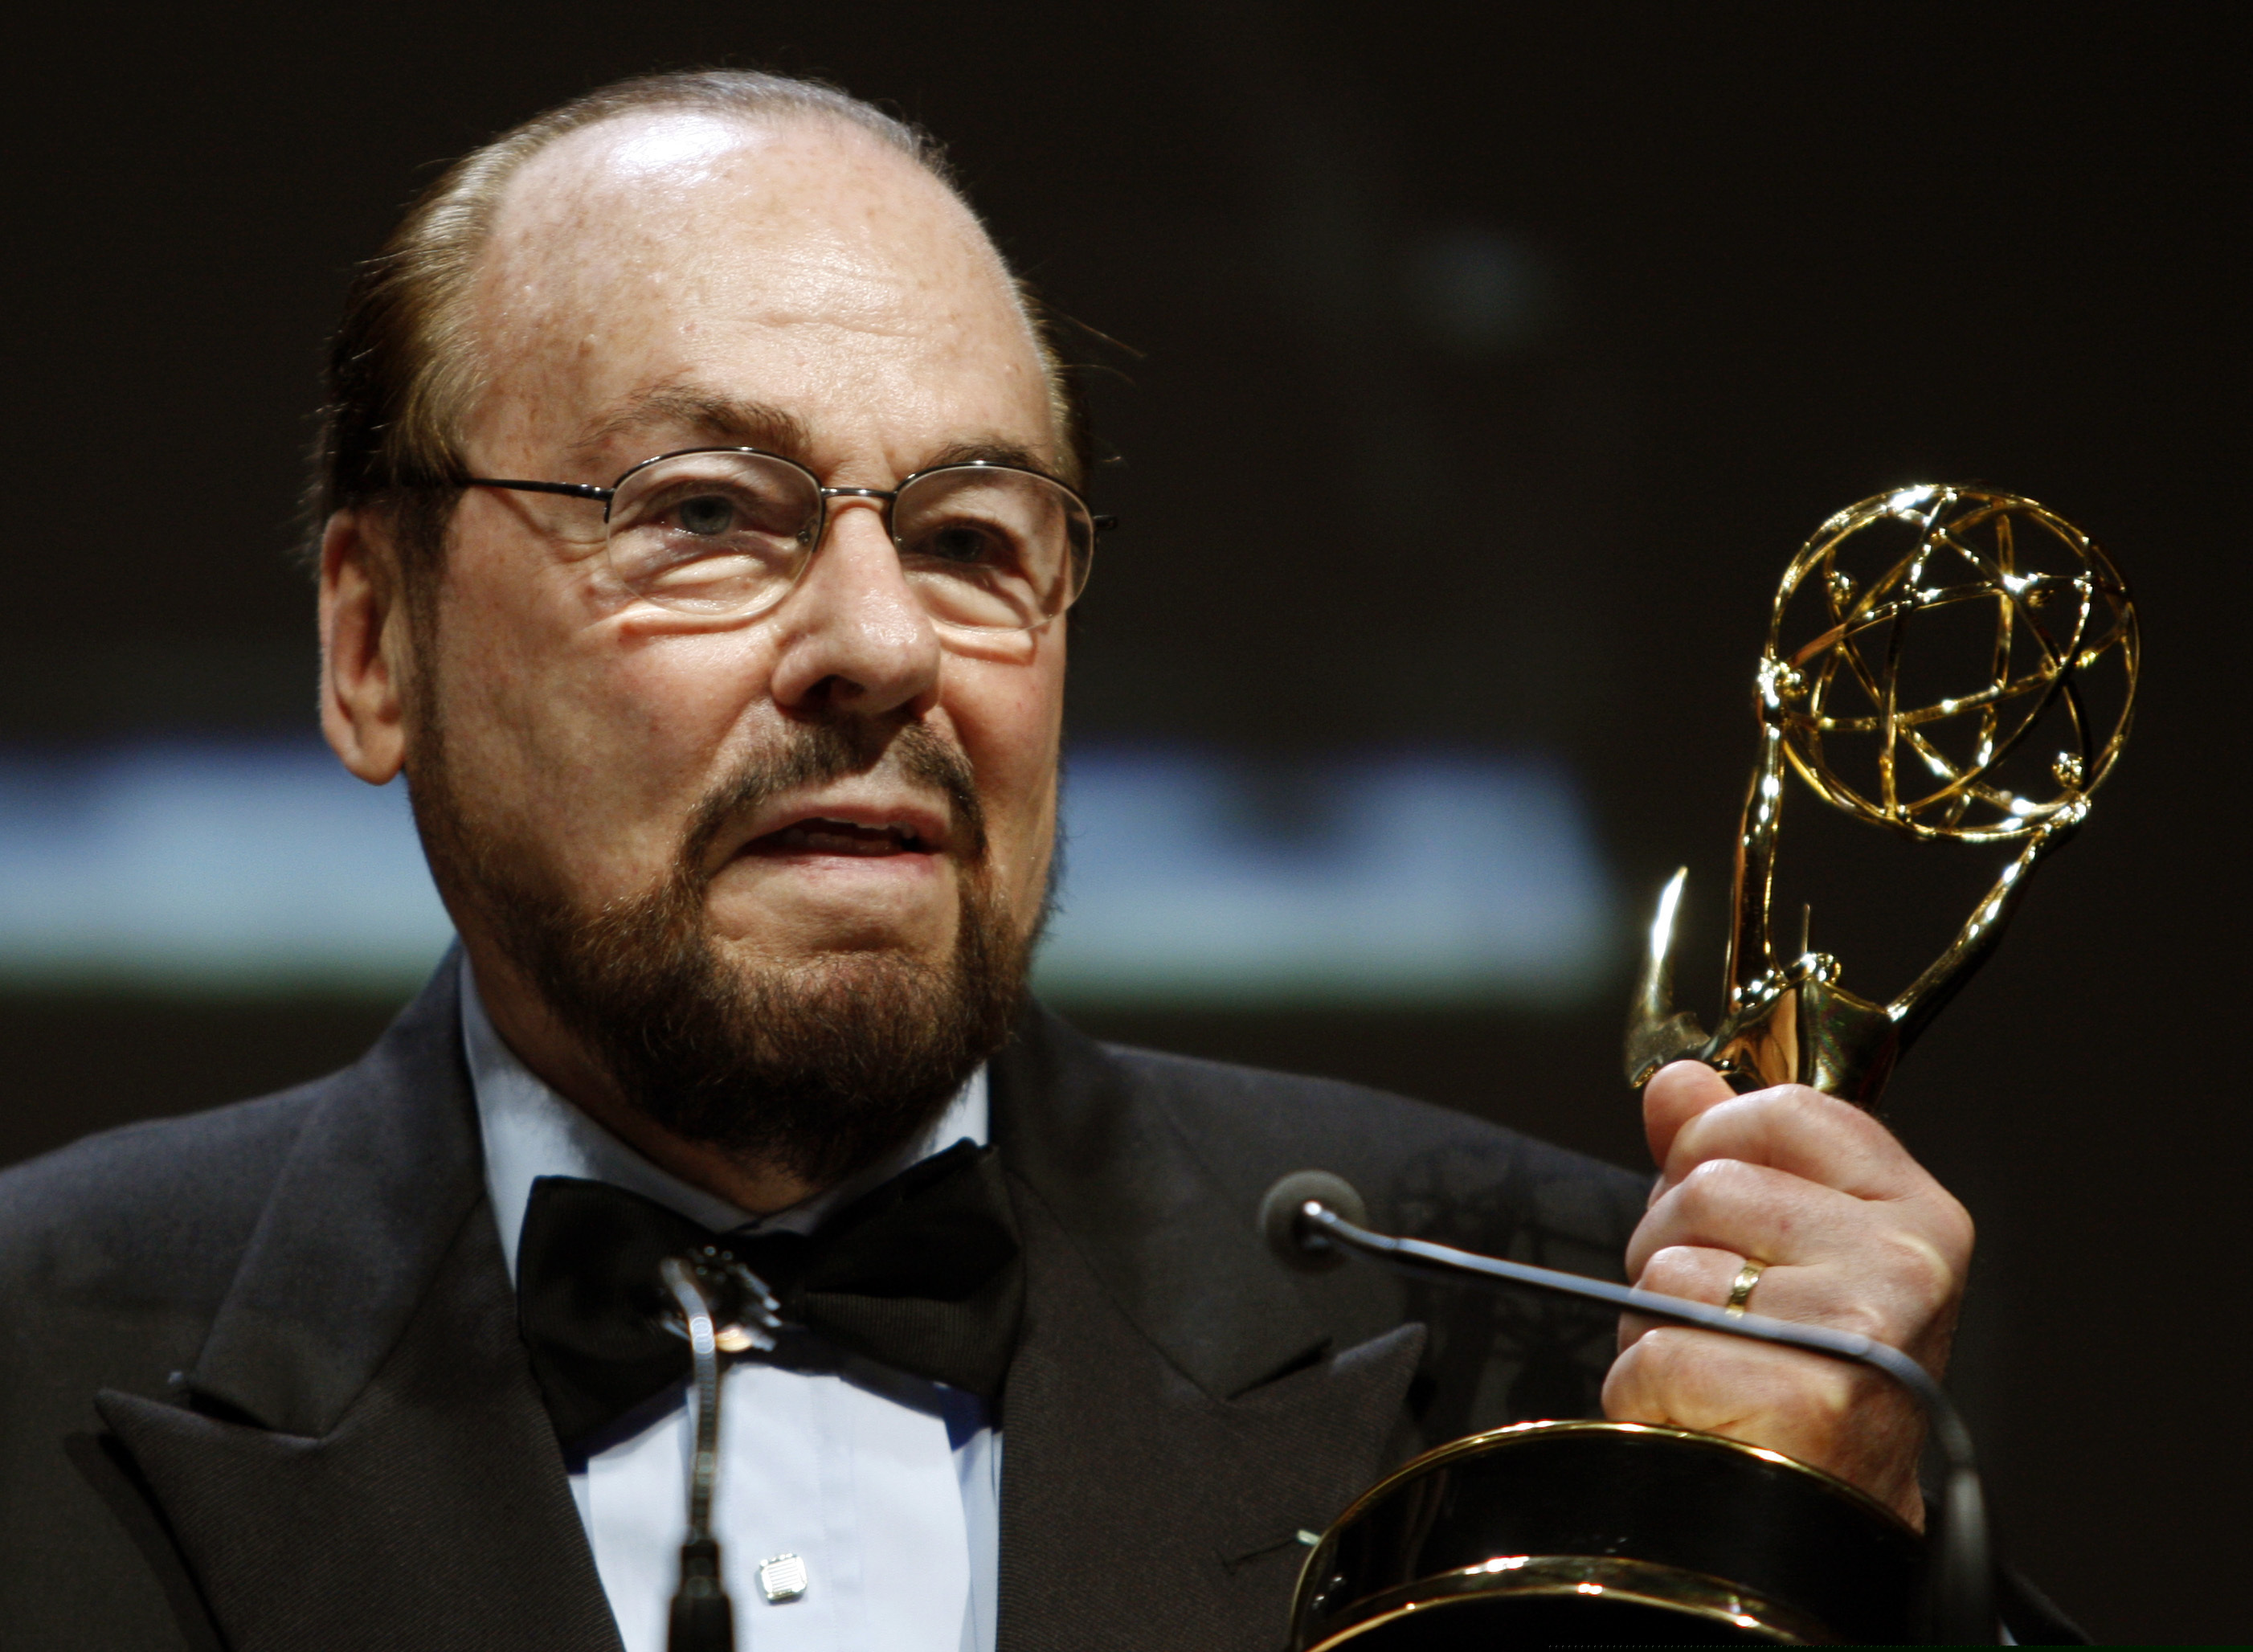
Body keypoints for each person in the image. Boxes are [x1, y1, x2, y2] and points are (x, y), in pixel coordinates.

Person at [0, 69, 2058, 1650]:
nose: (882, 646)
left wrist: (1797, 1573)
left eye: (979, 539)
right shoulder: (33, 1355)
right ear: (374, 642)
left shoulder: (1576, 1367)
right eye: (709, 511)